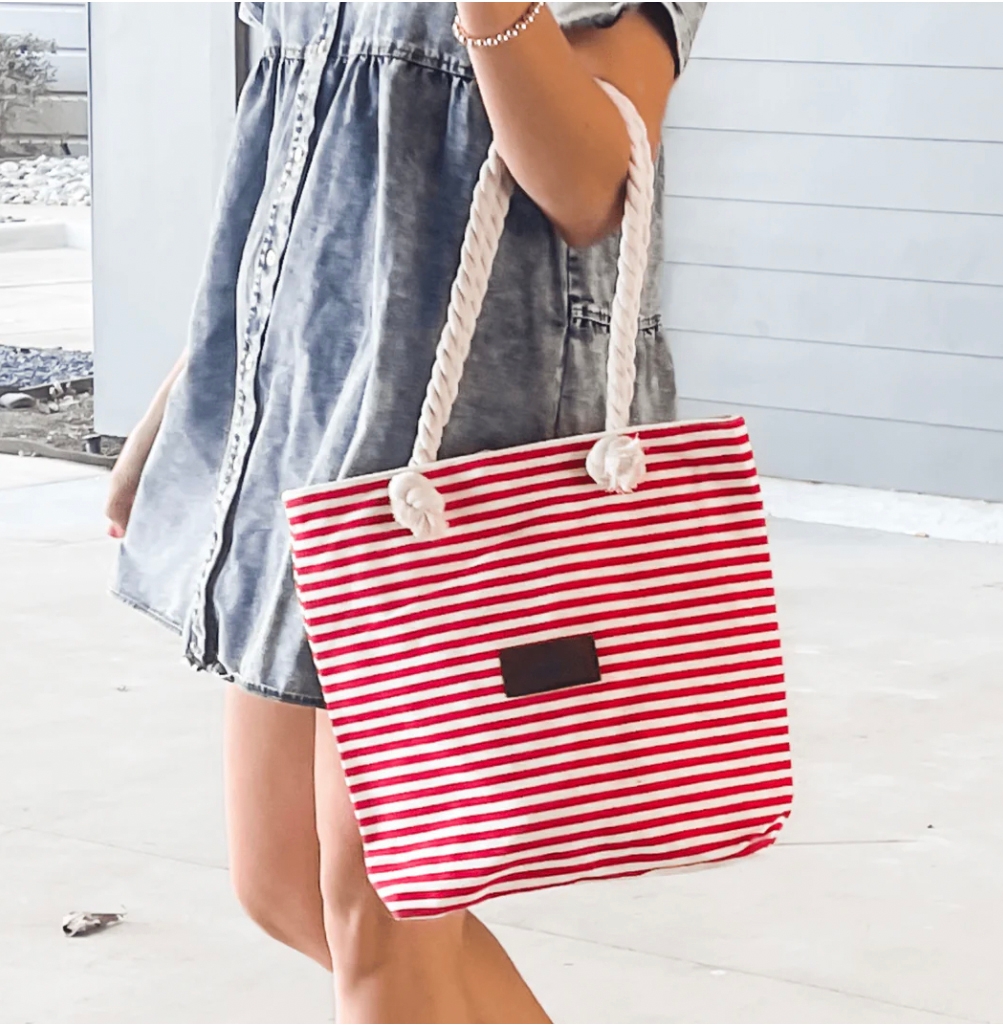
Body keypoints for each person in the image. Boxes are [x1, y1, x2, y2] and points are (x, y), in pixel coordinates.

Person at [105, 3, 705, 1022]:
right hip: (302, 417)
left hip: (457, 448)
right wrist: (188, 401)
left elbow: (590, 185)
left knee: (386, 915)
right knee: (284, 885)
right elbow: (302, 169)